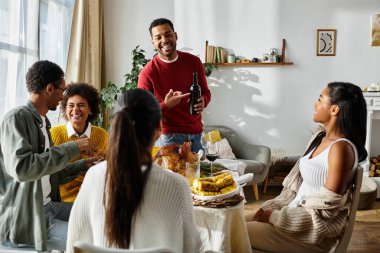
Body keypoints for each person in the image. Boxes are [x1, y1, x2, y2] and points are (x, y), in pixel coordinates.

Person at [66, 89, 201, 253]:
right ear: (159, 128)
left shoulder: (93, 177)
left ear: (116, 127)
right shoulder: (177, 185)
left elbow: (75, 244)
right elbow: (191, 248)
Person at [246, 82, 367, 253]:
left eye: (320, 99)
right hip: (290, 218)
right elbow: (297, 189)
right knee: (231, 221)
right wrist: (274, 210)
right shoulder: (319, 137)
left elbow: (326, 209)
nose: (315, 104)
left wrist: (275, 217)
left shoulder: (341, 149)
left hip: (310, 234)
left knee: (230, 231)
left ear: (335, 109)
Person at [0, 60, 96, 252]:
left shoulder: (43, 123)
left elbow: (48, 174)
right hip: (27, 220)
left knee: (100, 213)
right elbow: (23, 169)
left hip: (49, 206)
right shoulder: (17, 118)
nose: (63, 97)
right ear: (49, 89)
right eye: (63, 90)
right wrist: (72, 148)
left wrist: (82, 165)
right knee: (91, 239)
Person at [138, 18, 211, 152]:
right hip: (168, 138)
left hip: (197, 136)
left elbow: (206, 92)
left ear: (175, 36)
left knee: (200, 173)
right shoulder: (147, 73)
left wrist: (203, 101)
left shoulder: (194, 62)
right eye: (158, 37)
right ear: (153, 42)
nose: (164, 40)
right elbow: (143, 114)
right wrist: (166, 105)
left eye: (168, 34)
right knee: (173, 174)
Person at [50, 82, 108, 202]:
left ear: (90, 110)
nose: (75, 110)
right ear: (65, 109)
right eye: (71, 105)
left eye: (81, 105)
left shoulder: (101, 134)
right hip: (65, 198)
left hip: (94, 194)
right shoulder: (54, 134)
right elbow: (51, 173)